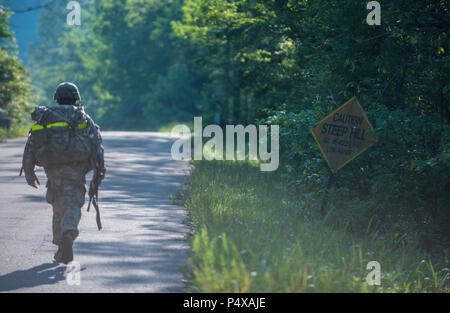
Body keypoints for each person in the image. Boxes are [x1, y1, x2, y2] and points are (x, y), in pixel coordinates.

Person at [22, 82, 105, 264]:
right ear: (76, 98)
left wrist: (29, 172)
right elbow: (97, 146)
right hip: (76, 169)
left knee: (58, 205)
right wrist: (97, 175)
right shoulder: (81, 116)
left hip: (52, 169)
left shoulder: (45, 116)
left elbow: (31, 145)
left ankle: (61, 246)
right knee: (73, 203)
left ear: (57, 98)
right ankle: (68, 233)